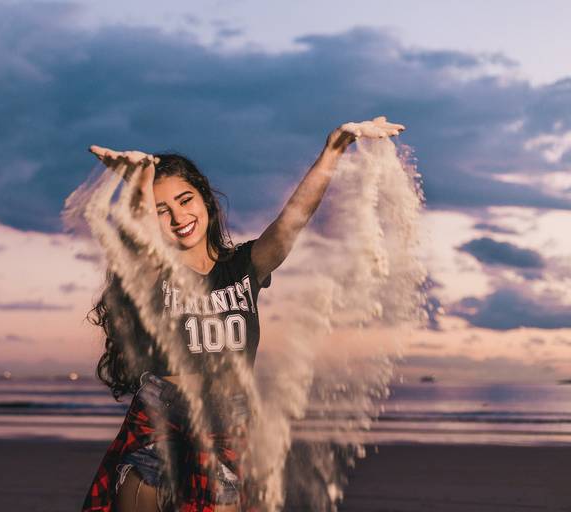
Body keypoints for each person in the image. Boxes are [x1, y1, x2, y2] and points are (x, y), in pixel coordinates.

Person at [80, 116, 405, 511]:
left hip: (229, 420)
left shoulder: (244, 266)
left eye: (185, 200)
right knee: (141, 493)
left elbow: (294, 218)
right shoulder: (153, 273)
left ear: (204, 200)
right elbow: (138, 242)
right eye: (161, 209)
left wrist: (334, 147)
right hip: (159, 415)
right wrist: (137, 187)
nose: (179, 217)